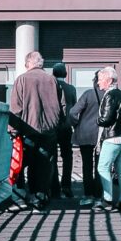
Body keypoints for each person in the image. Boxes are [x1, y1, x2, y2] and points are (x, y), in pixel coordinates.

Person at [7, 47, 65, 207]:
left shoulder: (22, 80)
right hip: (49, 131)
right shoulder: (52, 80)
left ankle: (20, 197)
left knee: (20, 163)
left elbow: (16, 108)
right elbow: (62, 106)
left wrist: (13, 130)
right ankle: (39, 197)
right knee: (43, 164)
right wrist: (57, 126)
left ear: (28, 64)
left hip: (28, 129)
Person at [95, 66, 121, 210]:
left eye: (100, 79)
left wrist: (97, 120)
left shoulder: (109, 95)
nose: (98, 83)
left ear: (109, 80)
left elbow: (105, 119)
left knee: (102, 167)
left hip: (113, 138)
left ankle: (107, 200)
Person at [69, 76, 104, 199]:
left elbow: (73, 112)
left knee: (87, 165)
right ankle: (99, 195)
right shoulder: (110, 95)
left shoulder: (88, 94)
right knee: (101, 166)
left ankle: (88, 194)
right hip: (102, 135)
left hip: (85, 134)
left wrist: (76, 124)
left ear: (95, 81)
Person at [51, 61, 75, 198]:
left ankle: (53, 187)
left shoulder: (50, 87)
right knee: (67, 157)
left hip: (53, 127)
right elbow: (75, 107)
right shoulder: (71, 89)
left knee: (52, 157)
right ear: (65, 74)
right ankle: (66, 186)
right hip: (66, 127)